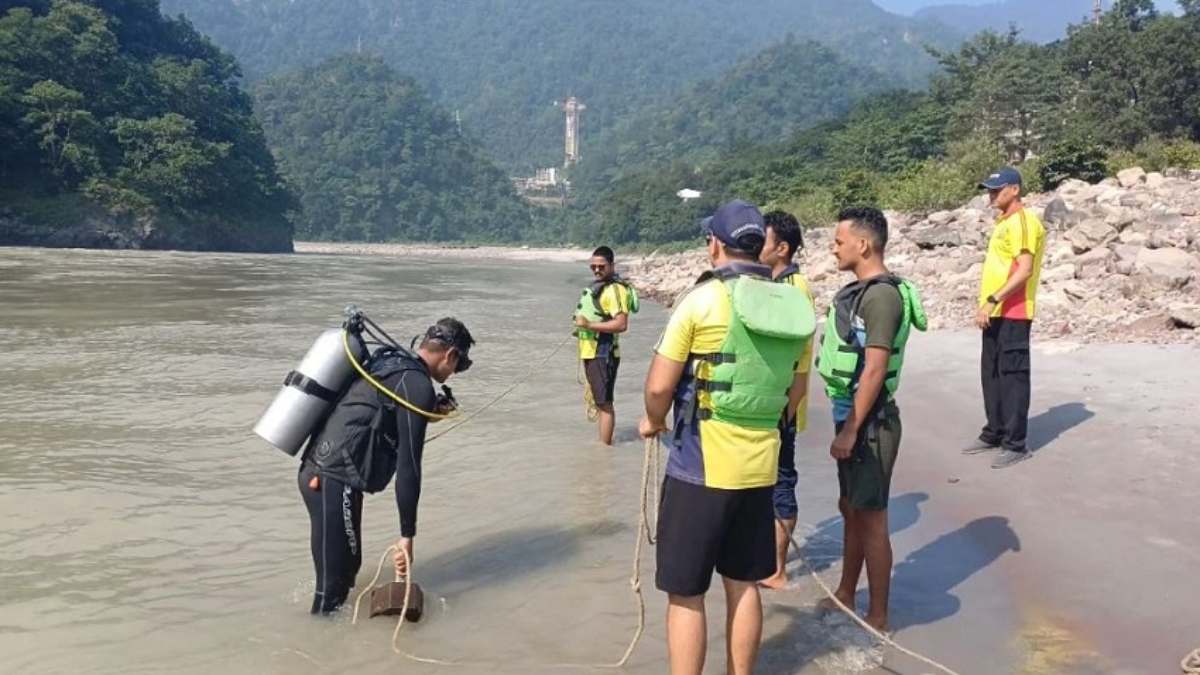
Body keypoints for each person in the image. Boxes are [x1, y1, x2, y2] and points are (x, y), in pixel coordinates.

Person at [639, 200, 812, 675]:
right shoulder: (796, 305)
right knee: (745, 582)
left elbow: (658, 385)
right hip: (760, 469)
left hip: (700, 469)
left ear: (714, 244)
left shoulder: (703, 299)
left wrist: (653, 421)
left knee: (687, 592)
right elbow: (795, 394)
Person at [297, 318, 474, 614]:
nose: (453, 373)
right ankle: (317, 647)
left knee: (347, 569)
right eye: (457, 366)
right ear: (450, 355)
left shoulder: (395, 365)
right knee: (333, 587)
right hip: (331, 479)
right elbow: (409, 467)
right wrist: (407, 535)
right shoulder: (417, 384)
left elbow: (375, 413)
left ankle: (328, 643)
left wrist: (426, 413)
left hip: (322, 473)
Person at [815, 207, 926, 632]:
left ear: (863, 244)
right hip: (855, 416)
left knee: (872, 516)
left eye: (839, 240)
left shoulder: (881, 296)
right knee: (850, 508)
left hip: (872, 423)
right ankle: (846, 591)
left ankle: (878, 616)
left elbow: (875, 369)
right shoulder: (859, 291)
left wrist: (850, 428)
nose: (833, 247)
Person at [963, 167, 1047, 469]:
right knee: (992, 373)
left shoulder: (1024, 222)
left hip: (1014, 310)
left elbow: (1024, 270)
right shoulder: (1004, 223)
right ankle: (994, 431)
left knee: (1013, 376)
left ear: (1014, 190)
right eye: (989, 190)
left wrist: (992, 300)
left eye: (997, 190)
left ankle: (1016, 442)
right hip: (995, 312)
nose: (991, 194)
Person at [758, 210, 816, 591]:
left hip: (782, 408)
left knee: (780, 482)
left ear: (782, 247)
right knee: (764, 482)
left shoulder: (796, 288)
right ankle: (765, 558)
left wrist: (787, 410)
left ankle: (777, 569)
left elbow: (801, 359)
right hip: (768, 405)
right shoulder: (771, 282)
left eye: (763, 240)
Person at [574, 245, 636, 445]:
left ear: (612, 265)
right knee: (601, 402)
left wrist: (589, 324)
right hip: (592, 353)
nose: (597, 270)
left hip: (603, 353)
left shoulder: (615, 290)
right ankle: (604, 452)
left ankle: (604, 449)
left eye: (601, 266)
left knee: (605, 403)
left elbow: (621, 324)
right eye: (593, 267)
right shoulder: (601, 288)